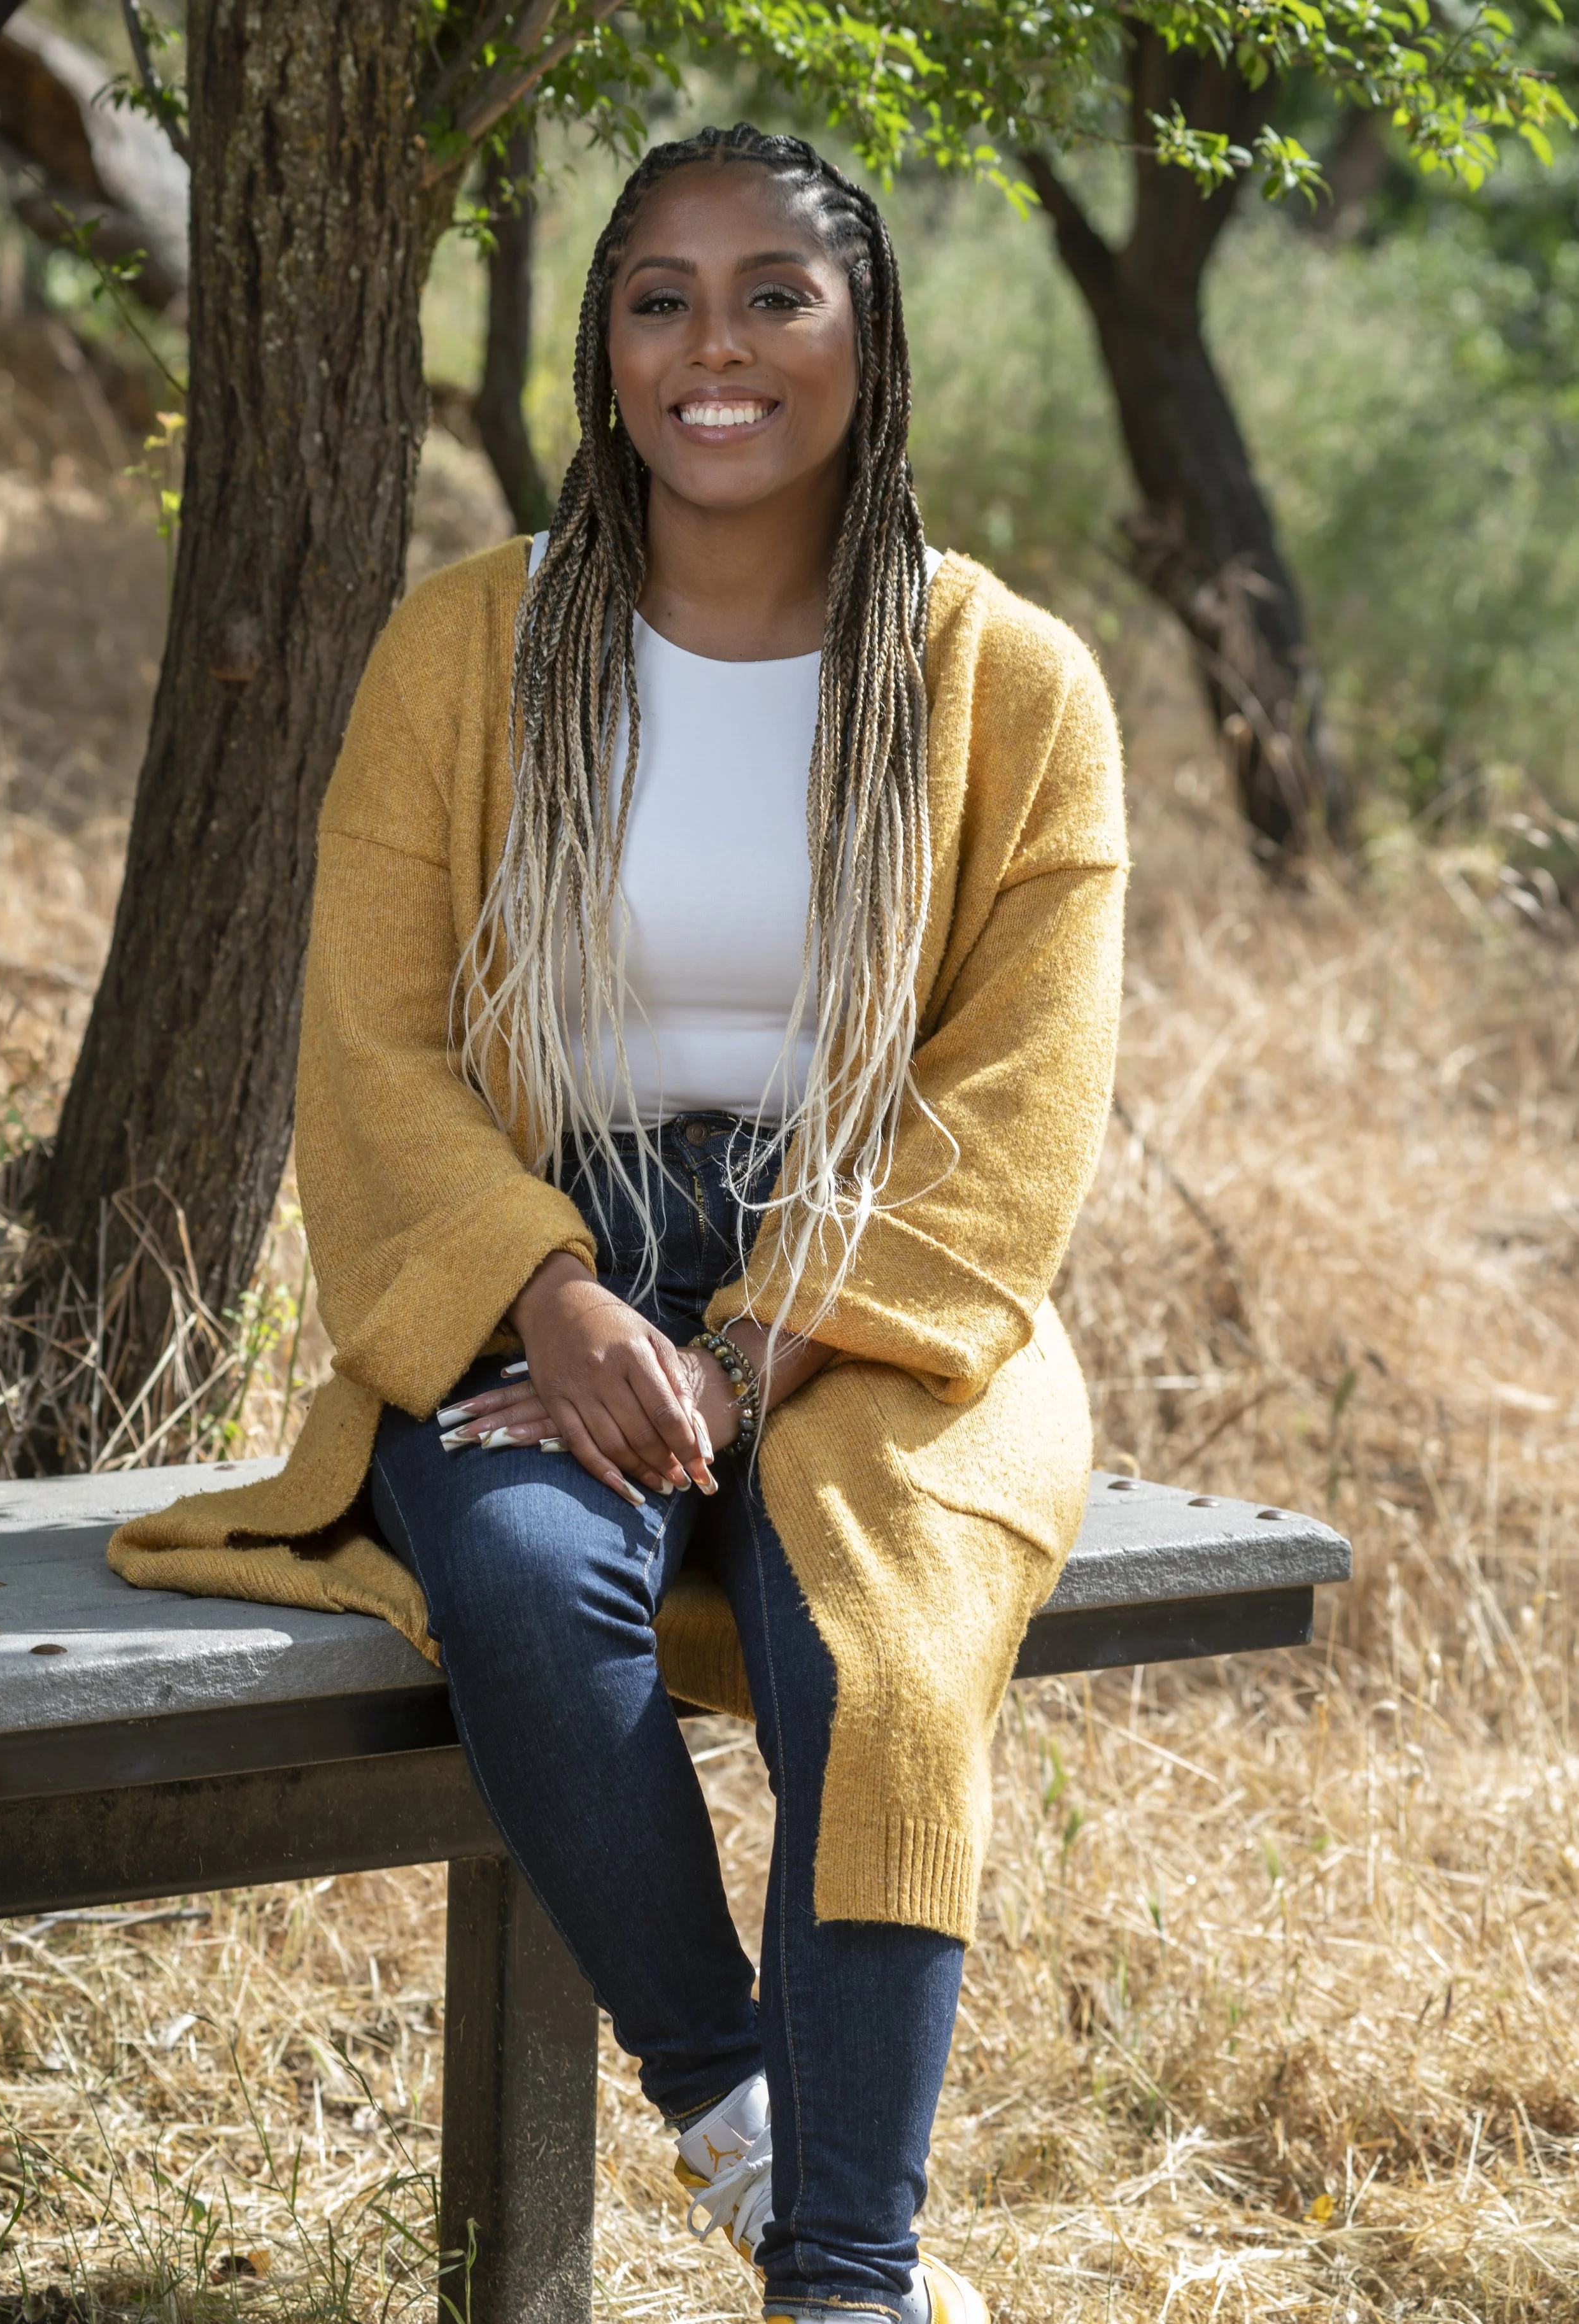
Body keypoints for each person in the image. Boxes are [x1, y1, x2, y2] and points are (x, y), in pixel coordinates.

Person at [110, 123, 1128, 2324]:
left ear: (866, 340)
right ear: (601, 348)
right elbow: (371, 1036)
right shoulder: (468, 645)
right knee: (519, 1585)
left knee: (885, 1666)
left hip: (870, 1293)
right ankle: (748, 2121)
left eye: (776, 291)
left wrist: (760, 1344)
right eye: (659, 296)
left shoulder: (1002, 678)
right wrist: (544, 1295)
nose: (716, 347)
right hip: (540, 1253)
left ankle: (841, 2283)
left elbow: (1021, 1087)